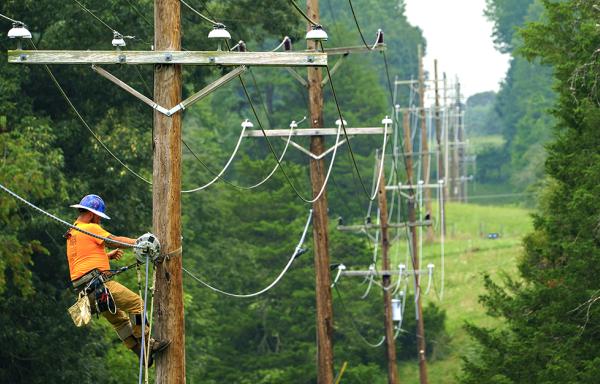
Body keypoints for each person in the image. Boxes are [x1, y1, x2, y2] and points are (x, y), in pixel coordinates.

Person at [65, 194, 169, 366]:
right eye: (98, 217)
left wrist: (105, 257)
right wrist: (139, 243)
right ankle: (147, 344)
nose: (99, 221)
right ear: (92, 214)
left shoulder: (73, 232)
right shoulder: (90, 227)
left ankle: (140, 353)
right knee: (137, 304)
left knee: (120, 322)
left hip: (87, 293)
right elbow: (113, 240)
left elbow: (80, 260)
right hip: (100, 286)